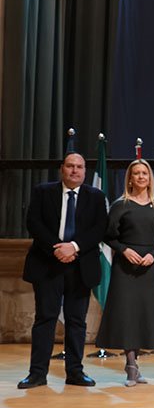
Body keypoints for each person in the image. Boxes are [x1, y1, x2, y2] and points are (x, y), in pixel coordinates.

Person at [18, 153, 109, 389]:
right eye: (70, 166)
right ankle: (37, 374)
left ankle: (75, 372)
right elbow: (33, 223)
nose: (74, 170)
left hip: (80, 266)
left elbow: (100, 228)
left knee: (76, 320)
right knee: (45, 318)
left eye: (79, 167)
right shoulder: (43, 192)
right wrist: (56, 248)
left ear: (85, 171)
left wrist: (74, 247)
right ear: (62, 169)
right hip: (47, 263)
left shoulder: (96, 197)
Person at [95, 159, 154, 386]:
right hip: (125, 267)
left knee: (142, 314)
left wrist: (153, 255)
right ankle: (131, 365)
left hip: (148, 267)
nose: (141, 176)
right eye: (136, 173)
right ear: (130, 179)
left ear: (149, 178)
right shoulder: (120, 205)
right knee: (127, 314)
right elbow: (108, 235)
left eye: (145, 173)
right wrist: (124, 250)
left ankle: (134, 363)